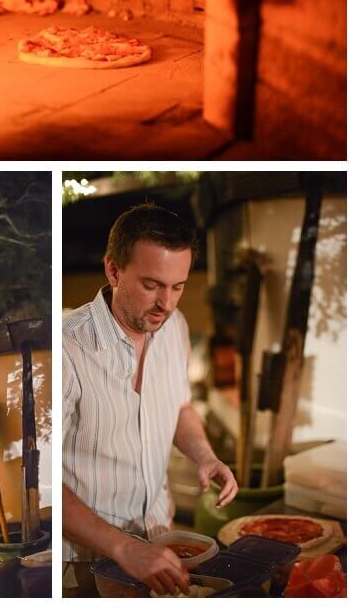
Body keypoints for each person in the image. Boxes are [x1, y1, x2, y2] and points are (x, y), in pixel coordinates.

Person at [63, 203, 238, 597]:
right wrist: (125, 548)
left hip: (161, 538)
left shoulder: (175, 327)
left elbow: (178, 406)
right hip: (84, 562)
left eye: (178, 287)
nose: (167, 303)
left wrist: (204, 456)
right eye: (152, 285)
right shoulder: (66, 349)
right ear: (113, 270)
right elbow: (41, 483)